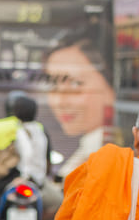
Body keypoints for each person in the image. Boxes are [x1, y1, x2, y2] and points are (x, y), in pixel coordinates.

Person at [45, 33, 117, 179]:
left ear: (111, 88)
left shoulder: (103, 153)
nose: (60, 102)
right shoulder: (89, 147)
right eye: (53, 84)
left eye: (75, 84)